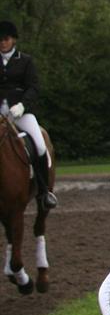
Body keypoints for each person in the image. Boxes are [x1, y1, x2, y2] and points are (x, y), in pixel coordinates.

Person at [0, 20, 56, 208]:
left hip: (21, 113)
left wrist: (23, 105)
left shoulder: (25, 61)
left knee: (40, 146)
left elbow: (33, 87)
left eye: (6, 39)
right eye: (0, 39)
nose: (2, 42)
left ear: (13, 40)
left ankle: (43, 191)